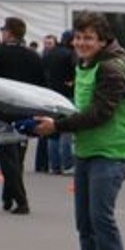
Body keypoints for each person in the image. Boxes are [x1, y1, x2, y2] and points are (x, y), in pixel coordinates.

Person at [34, 11, 125, 250]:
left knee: (100, 218)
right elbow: (80, 107)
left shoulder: (112, 69)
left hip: (111, 152)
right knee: (85, 221)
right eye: (79, 37)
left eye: (89, 38)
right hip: (87, 150)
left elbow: (100, 113)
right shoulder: (85, 63)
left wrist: (58, 126)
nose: (82, 43)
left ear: (103, 41)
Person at [0, 16, 45, 215]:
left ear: (9, 33)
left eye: (4, 30)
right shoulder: (33, 56)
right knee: (18, 156)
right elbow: (41, 85)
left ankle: (21, 200)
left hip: (2, 110)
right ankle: (8, 196)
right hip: (26, 110)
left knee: (6, 156)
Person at [39, 31, 78, 175]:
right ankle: (67, 165)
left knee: (52, 131)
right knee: (66, 129)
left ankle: (54, 165)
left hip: (51, 95)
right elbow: (77, 72)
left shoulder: (49, 54)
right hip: (67, 95)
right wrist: (72, 82)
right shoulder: (71, 54)